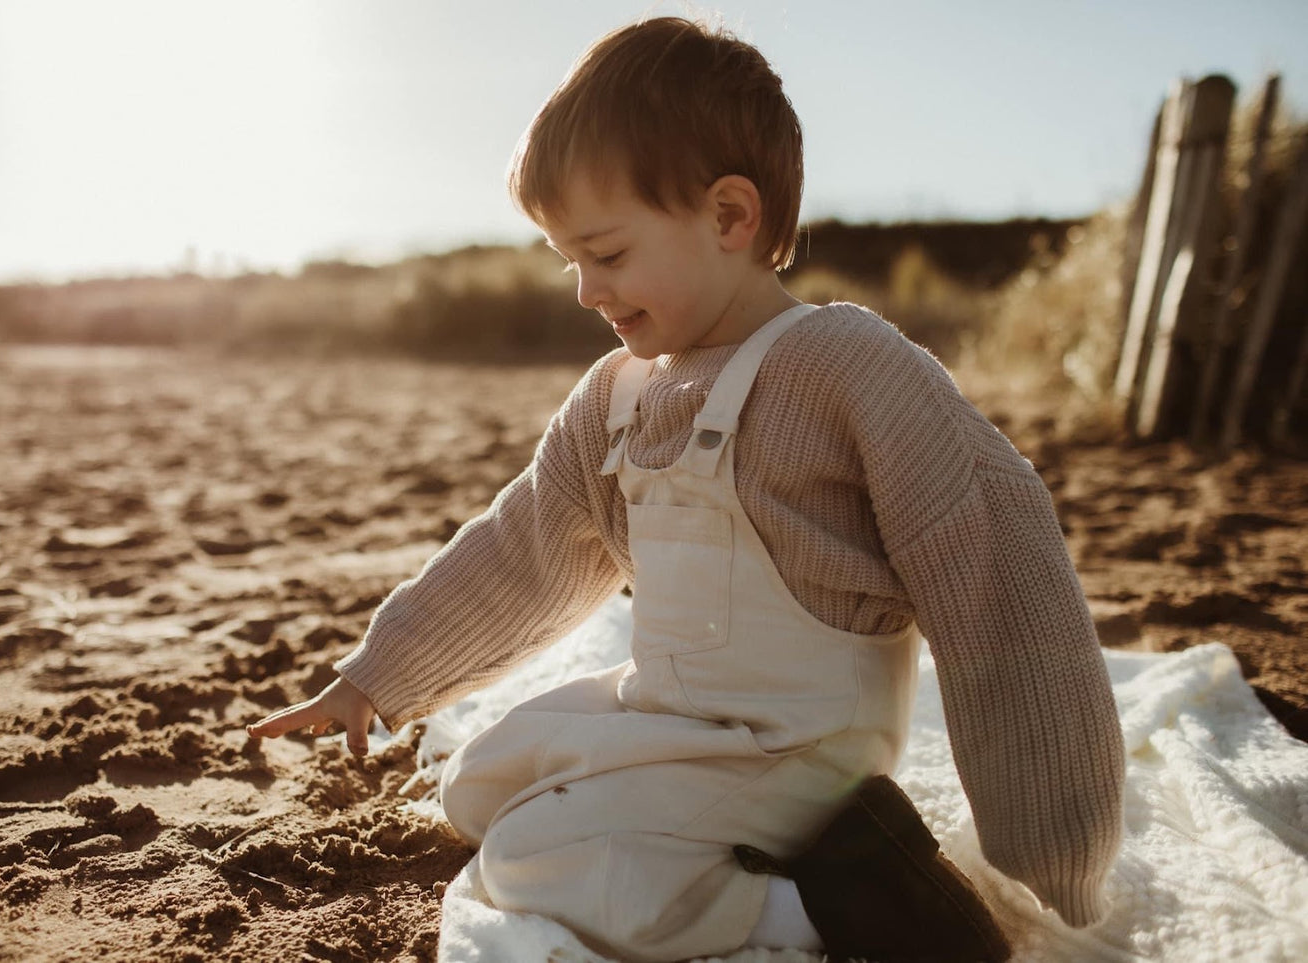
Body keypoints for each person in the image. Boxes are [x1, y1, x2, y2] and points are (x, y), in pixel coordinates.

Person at [248, 15, 1125, 962]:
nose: (585, 289)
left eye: (609, 254)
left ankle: (841, 900)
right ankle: (756, 857)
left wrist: (1045, 858)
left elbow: (998, 581)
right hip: (673, 712)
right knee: (480, 783)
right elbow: (525, 548)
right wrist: (380, 675)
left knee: (533, 860)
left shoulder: (843, 367)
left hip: (798, 751)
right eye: (568, 260)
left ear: (729, 218)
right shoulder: (617, 396)